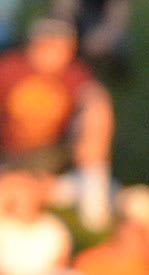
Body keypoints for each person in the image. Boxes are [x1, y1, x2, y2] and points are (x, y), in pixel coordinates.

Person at [0, 18, 113, 229]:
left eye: (57, 46)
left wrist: (94, 106)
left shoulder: (76, 76)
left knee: (97, 113)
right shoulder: (9, 69)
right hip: (9, 154)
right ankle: (60, 190)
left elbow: (93, 105)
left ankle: (94, 197)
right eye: (44, 45)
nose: (49, 53)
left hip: (51, 155)